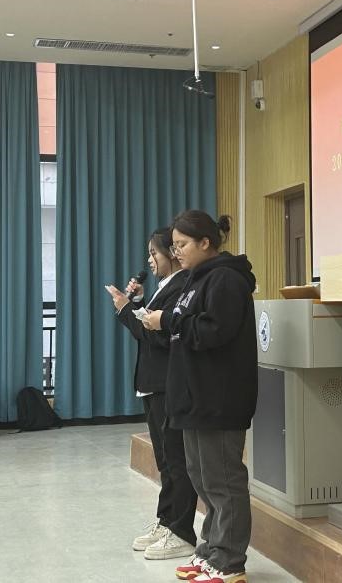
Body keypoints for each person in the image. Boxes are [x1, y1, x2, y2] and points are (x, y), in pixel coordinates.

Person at [142, 211, 256, 583]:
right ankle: (209, 552)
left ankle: (229, 562)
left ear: (206, 242)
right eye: (173, 246)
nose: (176, 252)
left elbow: (213, 331)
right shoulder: (196, 279)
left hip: (218, 398)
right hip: (193, 397)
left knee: (223, 481)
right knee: (203, 480)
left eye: (182, 245)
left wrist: (166, 321)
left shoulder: (226, 279)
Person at [105, 227, 197, 561]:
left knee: (176, 460)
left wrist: (124, 309)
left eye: (154, 253)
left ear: (172, 254)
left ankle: (182, 531)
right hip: (153, 382)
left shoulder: (181, 286)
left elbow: (158, 336)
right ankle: (167, 521)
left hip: (166, 383)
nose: (149, 260)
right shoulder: (164, 287)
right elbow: (150, 326)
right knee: (165, 460)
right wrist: (137, 303)